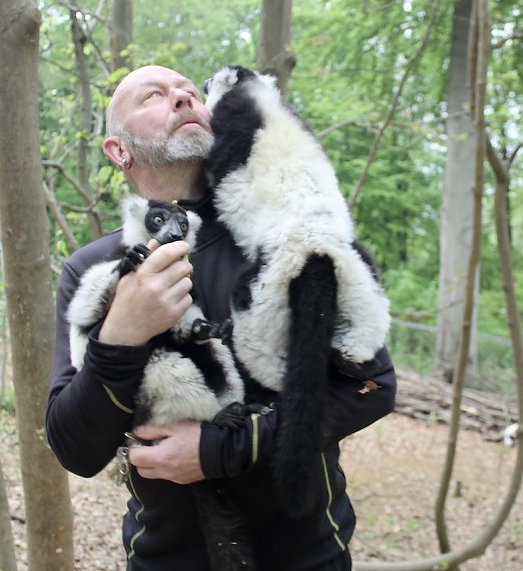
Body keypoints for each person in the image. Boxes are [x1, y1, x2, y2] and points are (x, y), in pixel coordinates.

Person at [45, 64, 397, 571]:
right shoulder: (91, 271)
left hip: (308, 557)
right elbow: (74, 448)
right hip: (163, 560)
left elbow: (373, 386)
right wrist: (121, 333)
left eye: (190, 92)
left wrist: (223, 448)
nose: (184, 99)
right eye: (155, 96)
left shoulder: (285, 232)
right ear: (118, 150)